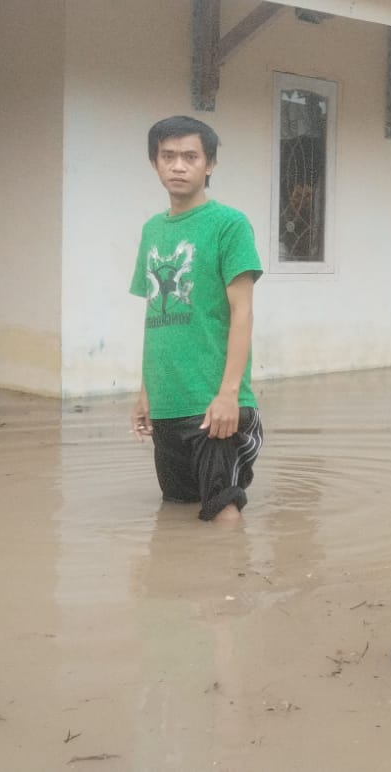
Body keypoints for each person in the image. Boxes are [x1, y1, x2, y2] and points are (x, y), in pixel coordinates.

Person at [129, 115, 263, 523]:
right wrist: (146, 391)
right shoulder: (152, 230)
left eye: (190, 156)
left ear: (210, 164)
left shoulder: (229, 225)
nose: (178, 166)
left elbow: (243, 312)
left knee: (223, 510)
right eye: (167, 156)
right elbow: (155, 313)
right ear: (155, 163)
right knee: (177, 509)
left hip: (213, 404)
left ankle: (231, 583)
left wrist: (228, 395)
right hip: (167, 402)